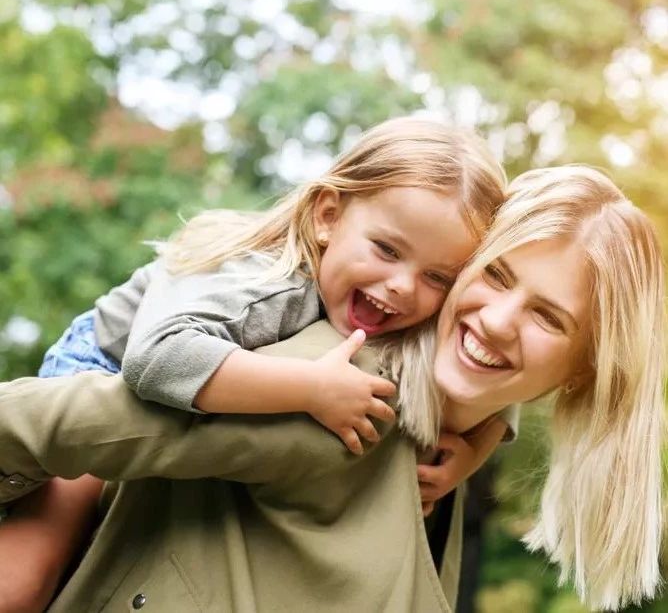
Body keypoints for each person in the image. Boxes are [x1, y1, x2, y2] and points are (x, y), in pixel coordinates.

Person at [0, 165, 661, 611]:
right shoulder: (335, 393)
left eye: (548, 316)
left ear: (585, 370)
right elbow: (38, 419)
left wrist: (486, 436)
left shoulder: (448, 445)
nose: (496, 319)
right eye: (494, 275)